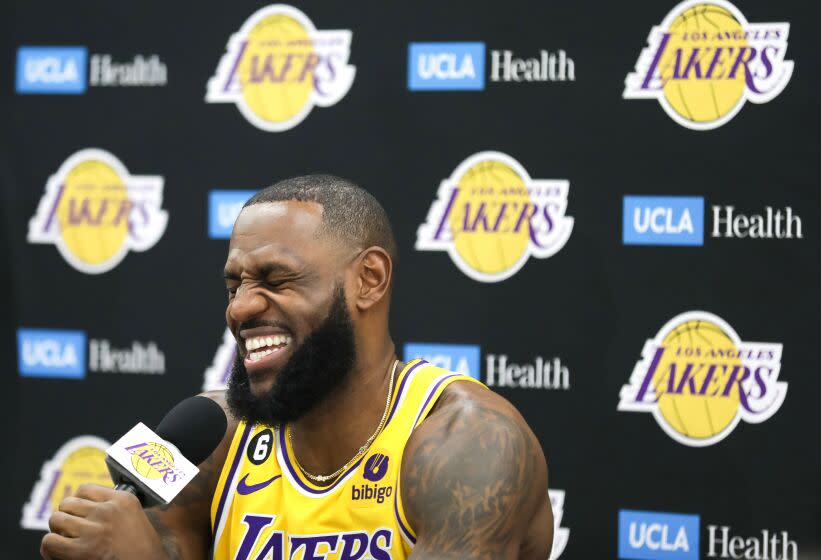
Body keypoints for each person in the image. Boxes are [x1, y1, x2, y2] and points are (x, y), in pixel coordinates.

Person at [41, 175, 554, 560]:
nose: (240, 309)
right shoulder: (205, 432)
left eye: (275, 279)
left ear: (368, 280)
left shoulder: (474, 444)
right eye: (233, 285)